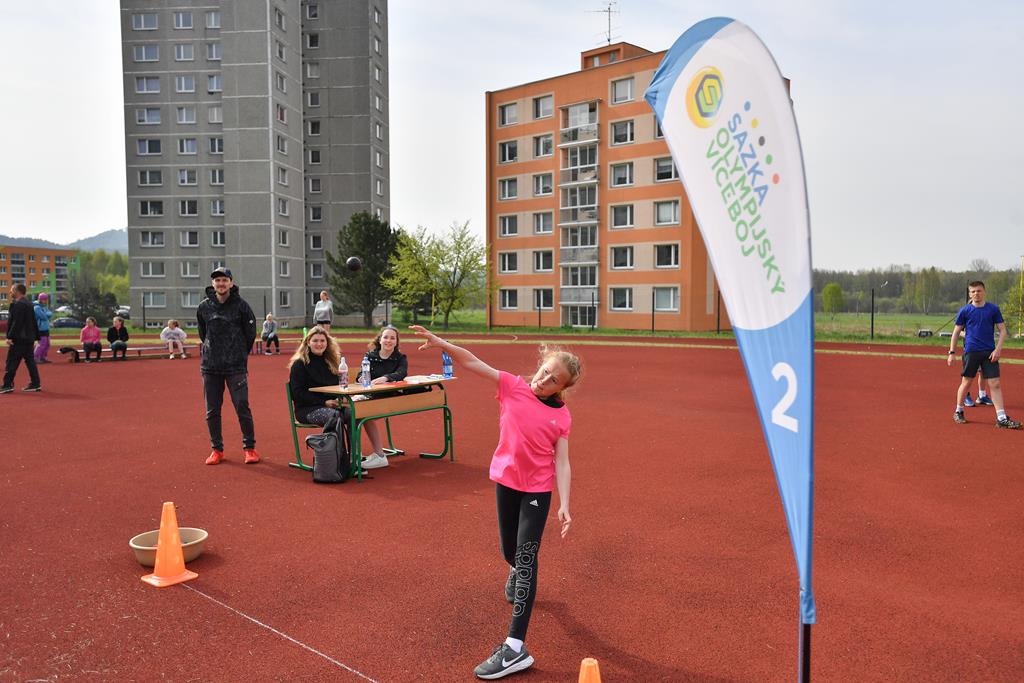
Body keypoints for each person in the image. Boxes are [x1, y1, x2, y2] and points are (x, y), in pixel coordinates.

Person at [409, 324, 582, 680]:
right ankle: (515, 569)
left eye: (553, 380)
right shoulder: (513, 386)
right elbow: (473, 362)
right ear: (539, 365)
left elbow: (562, 462)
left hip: (537, 490)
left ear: (562, 388)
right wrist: (442, 343)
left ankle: (515, 648)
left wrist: (564, 503)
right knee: (509, 552)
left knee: (526, 558)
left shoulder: (561, 415)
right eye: (544, 371)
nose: (544, 380)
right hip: (506, 481)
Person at [197, 267, 260, 465]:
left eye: (224, 280)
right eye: (217, 280)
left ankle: (250, 449)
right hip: (211, 367)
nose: (221, 283)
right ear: (213, 284)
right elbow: (203, 333)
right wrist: (214, 350)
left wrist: (238, 353)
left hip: (236, 367)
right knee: (212, 410)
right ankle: (217, 450)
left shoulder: (242, 306)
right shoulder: (204, 307)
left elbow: (250, 334)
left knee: (242, 406)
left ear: (231, 283)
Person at [948, 281, 1020, 429]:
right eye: (973, 291)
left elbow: (1003, 331)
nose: (976, 294)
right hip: (971, 352)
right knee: (966, 382)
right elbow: (956, 332)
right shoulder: (965, 311)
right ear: (970, 294)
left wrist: (998, 349)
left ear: (984, 292)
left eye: (979, 291)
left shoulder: (993, 309)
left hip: (989, 353)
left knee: (995, 383)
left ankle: (1001, 418)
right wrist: (952, 352)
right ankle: (959, 411)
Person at [359, 325, 409, 470]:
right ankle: (356, 454)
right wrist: (361, 378)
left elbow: (402, 373)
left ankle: (380, 455)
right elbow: (361, 374)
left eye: (392, 338)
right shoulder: (370, 356)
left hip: (390, 398)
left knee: (363, 414)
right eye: (385, 337)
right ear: (380, 339)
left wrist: (385, 378)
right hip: (370, 395)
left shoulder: (400, 358)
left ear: (396, 342)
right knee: (350, 413)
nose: (388, 340)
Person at [287, 326, 344, 426]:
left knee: (355, 413)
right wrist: (324, 402)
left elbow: (337, 386)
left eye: (322, 341)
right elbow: (298, 393)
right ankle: (332, 437)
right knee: (335, 416)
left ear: (327, 343)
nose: (319, 344)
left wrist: (338, 398)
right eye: (315, 341)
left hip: (331, 406)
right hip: (307, 409)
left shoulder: (331, 363)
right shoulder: (299, 364)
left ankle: (351, 438)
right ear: (308, 342)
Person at [2, 283, 41, 393]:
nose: (10, 292)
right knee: (30, 361)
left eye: (12, 290)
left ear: (17, 291)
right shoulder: (29, 304)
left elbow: (16, 323)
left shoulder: (19, 305)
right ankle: (35, 383)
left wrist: (10, 336)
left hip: (19, 338)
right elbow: (33, 321)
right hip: (28, 338)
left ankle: (7, 385)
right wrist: (36, 336)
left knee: (12, 361)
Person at [32, 293, 53, 364]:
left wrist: (47, 314)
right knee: (42, 344)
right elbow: (43, 317)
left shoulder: (44, 307)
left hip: (46, 328)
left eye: (46, 299)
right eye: (44, 299)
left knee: (47, 344)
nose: (46, 301)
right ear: (40, 299)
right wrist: (47, 314)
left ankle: (43, 357)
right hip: (40, 329)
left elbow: (50, 314)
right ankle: (35, 357)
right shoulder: (37, 307)